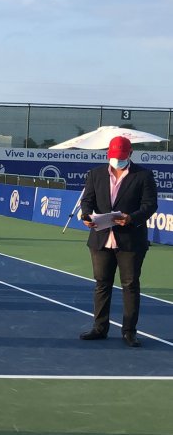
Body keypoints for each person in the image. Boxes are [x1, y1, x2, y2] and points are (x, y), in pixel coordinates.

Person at [79, 136, 158, 348]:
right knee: (101, 284)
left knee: (130, 285)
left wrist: (131, 218)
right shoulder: (95, 174)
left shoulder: (144, 175)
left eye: (121, 157)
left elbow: (150, 205)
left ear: (130, 154)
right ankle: (99, 328)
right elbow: (87, 201)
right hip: (101, 238)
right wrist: (86, 216)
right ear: (108, 155)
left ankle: (129, 332)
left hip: (131, 240)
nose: (117, 160)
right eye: (114, 157)